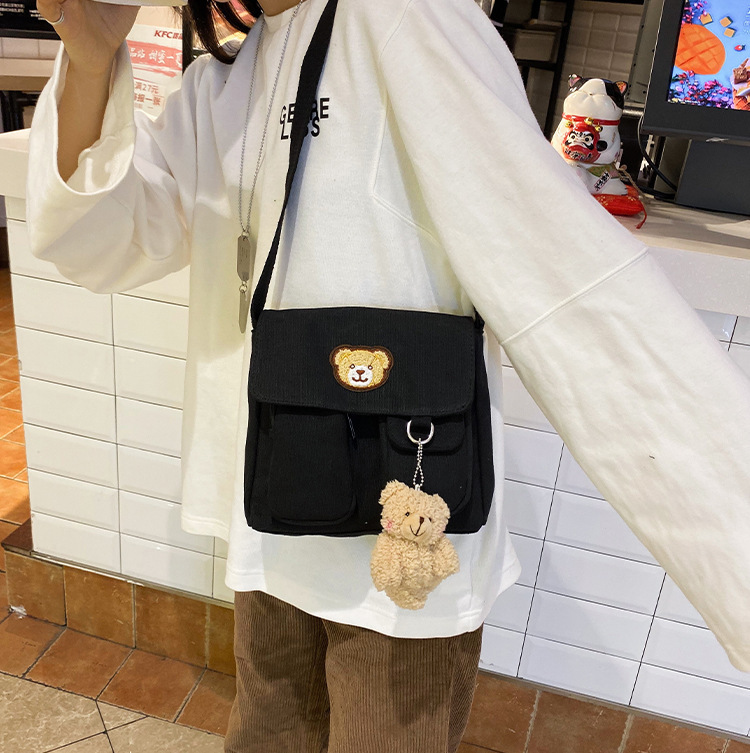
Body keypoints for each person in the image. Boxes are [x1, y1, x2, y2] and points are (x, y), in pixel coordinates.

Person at [27, 0, 750, 750]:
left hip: (403, 526)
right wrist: (91, 54)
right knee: (269, 733)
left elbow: (561, 273)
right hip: (276, 499)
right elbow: (101, 240)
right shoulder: (226, 79)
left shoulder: (409, 18)